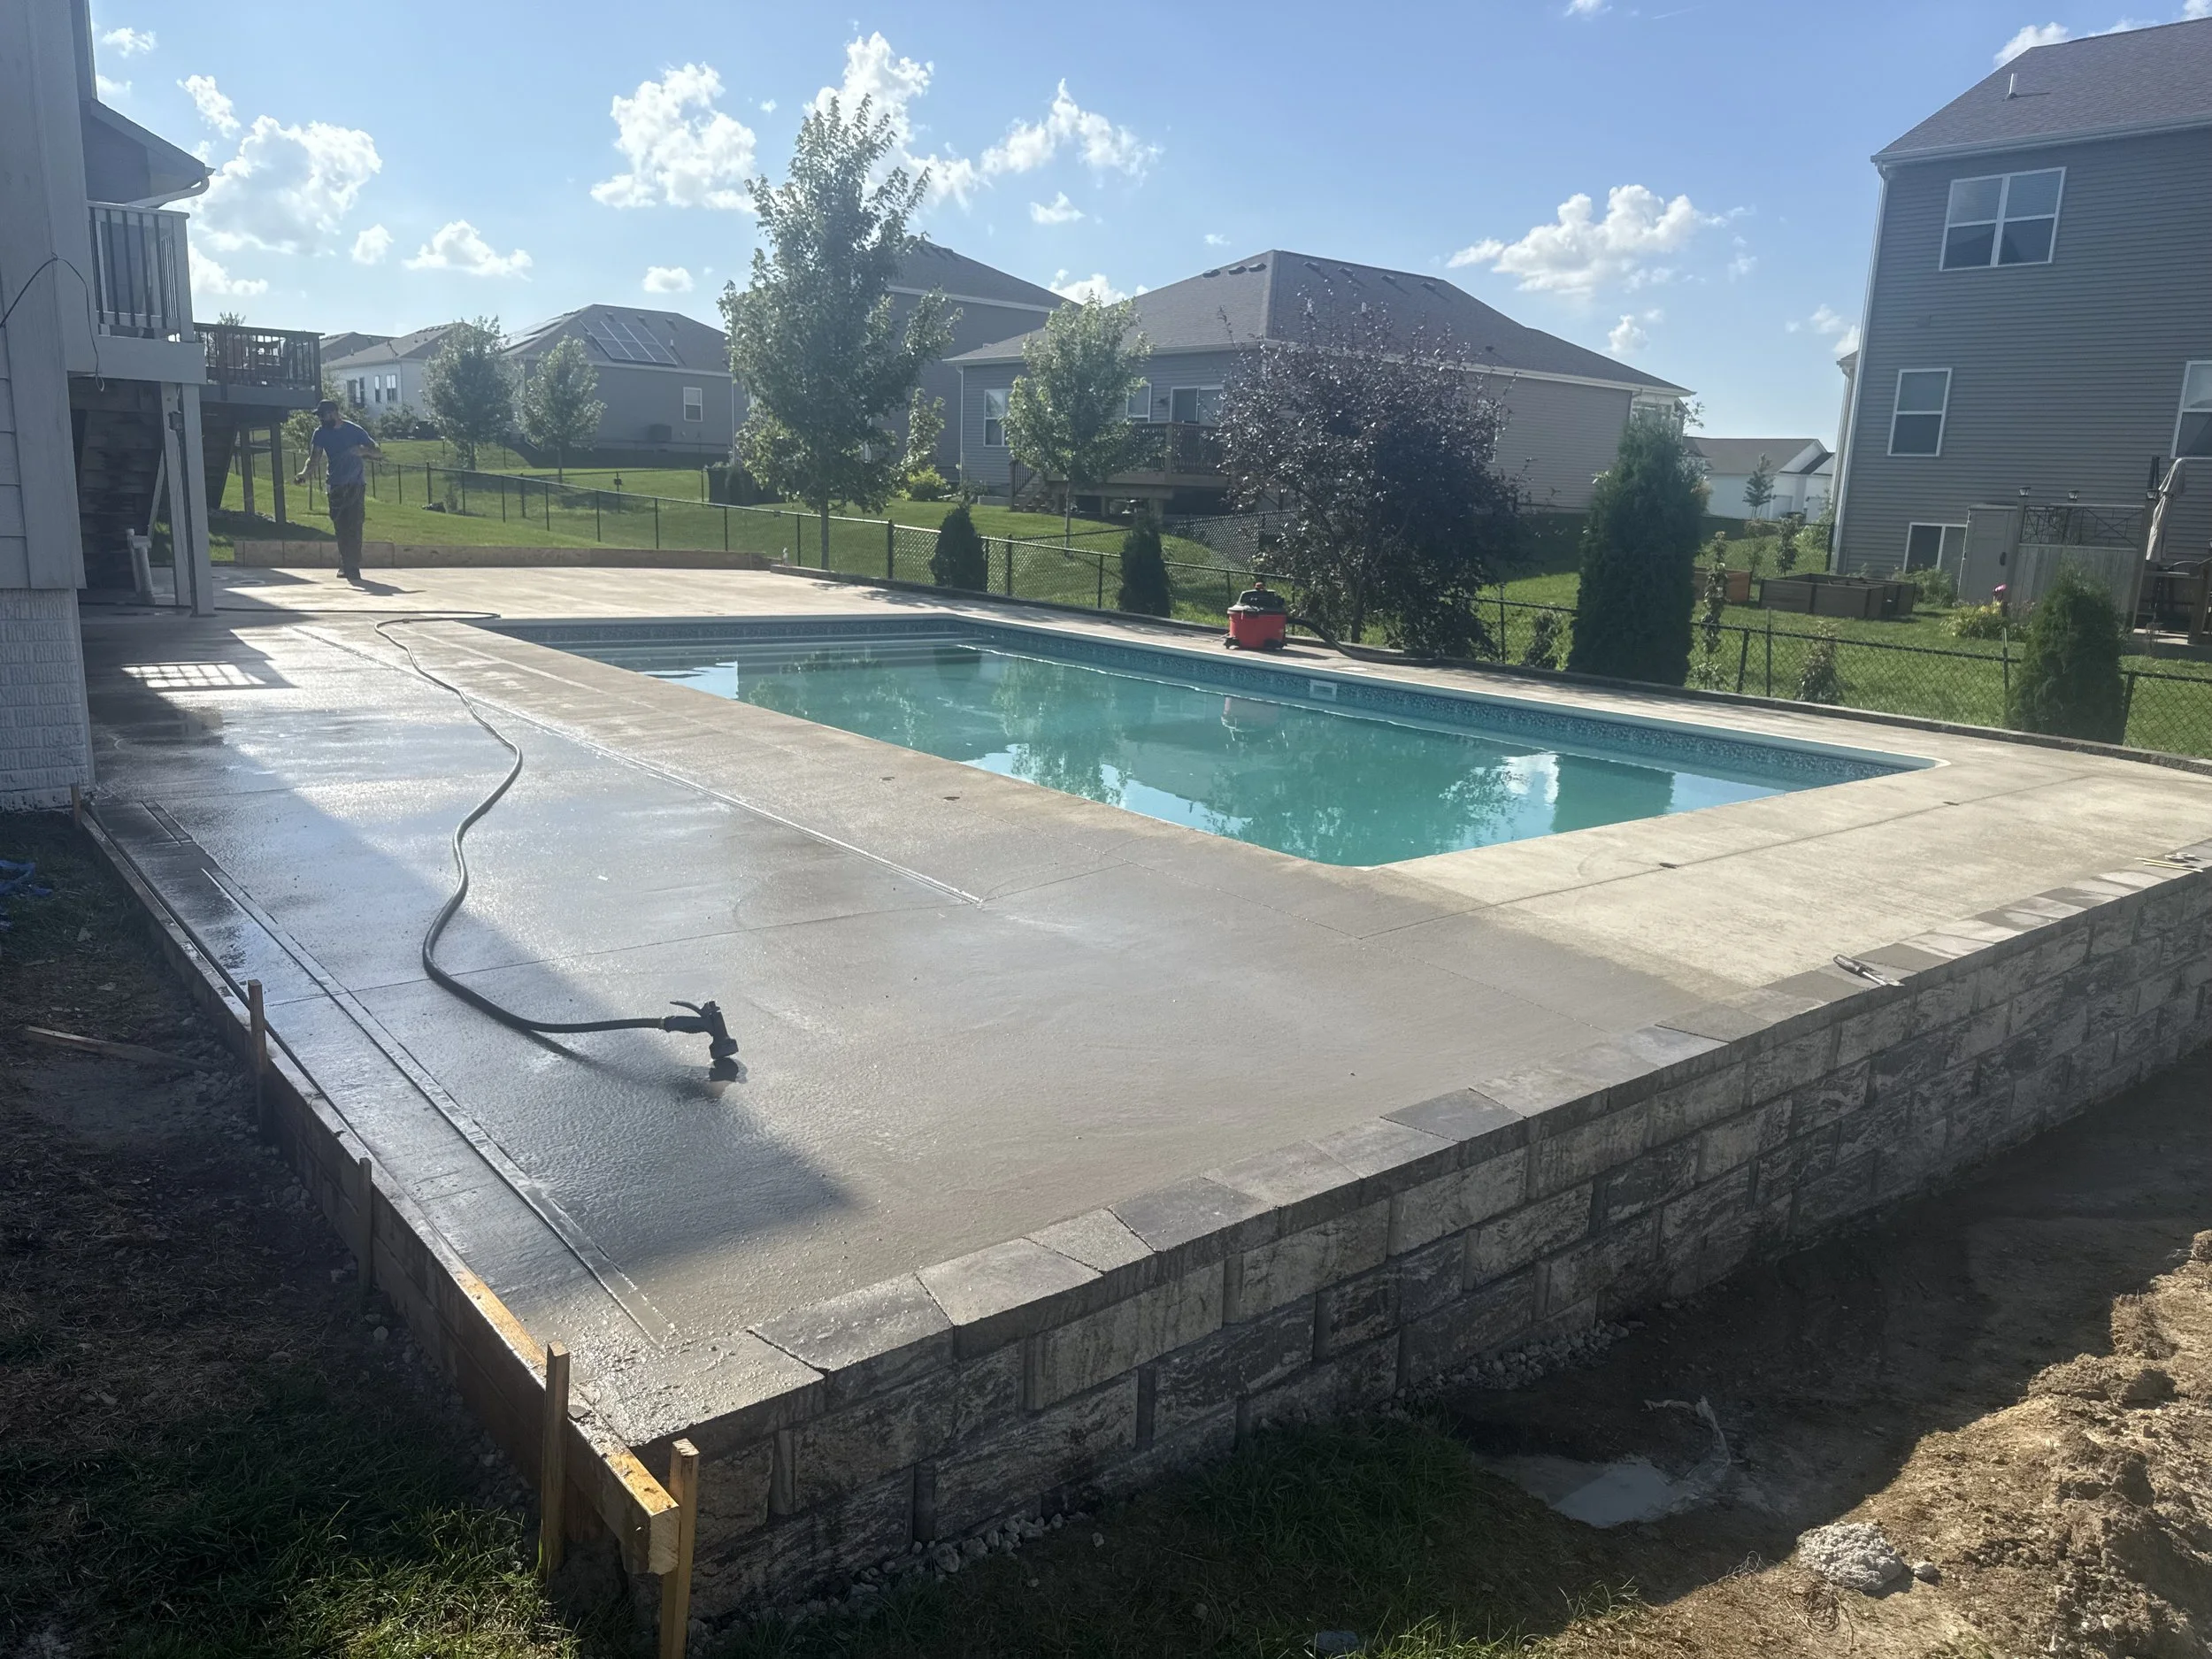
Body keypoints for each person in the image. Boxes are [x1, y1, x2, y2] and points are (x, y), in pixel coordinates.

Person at [295, 400, 381, 580]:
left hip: (356, 484)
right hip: (335, 485)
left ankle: (353, 566)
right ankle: (345, 563)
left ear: (334, 413)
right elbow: (314, 458)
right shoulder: (320, 433)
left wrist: (363, 451)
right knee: (340, 526)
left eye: (322, 415)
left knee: (355, 524)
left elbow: (377, 452)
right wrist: (304, 474)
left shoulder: (355, 430)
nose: (320, 419)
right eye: (318, 415)